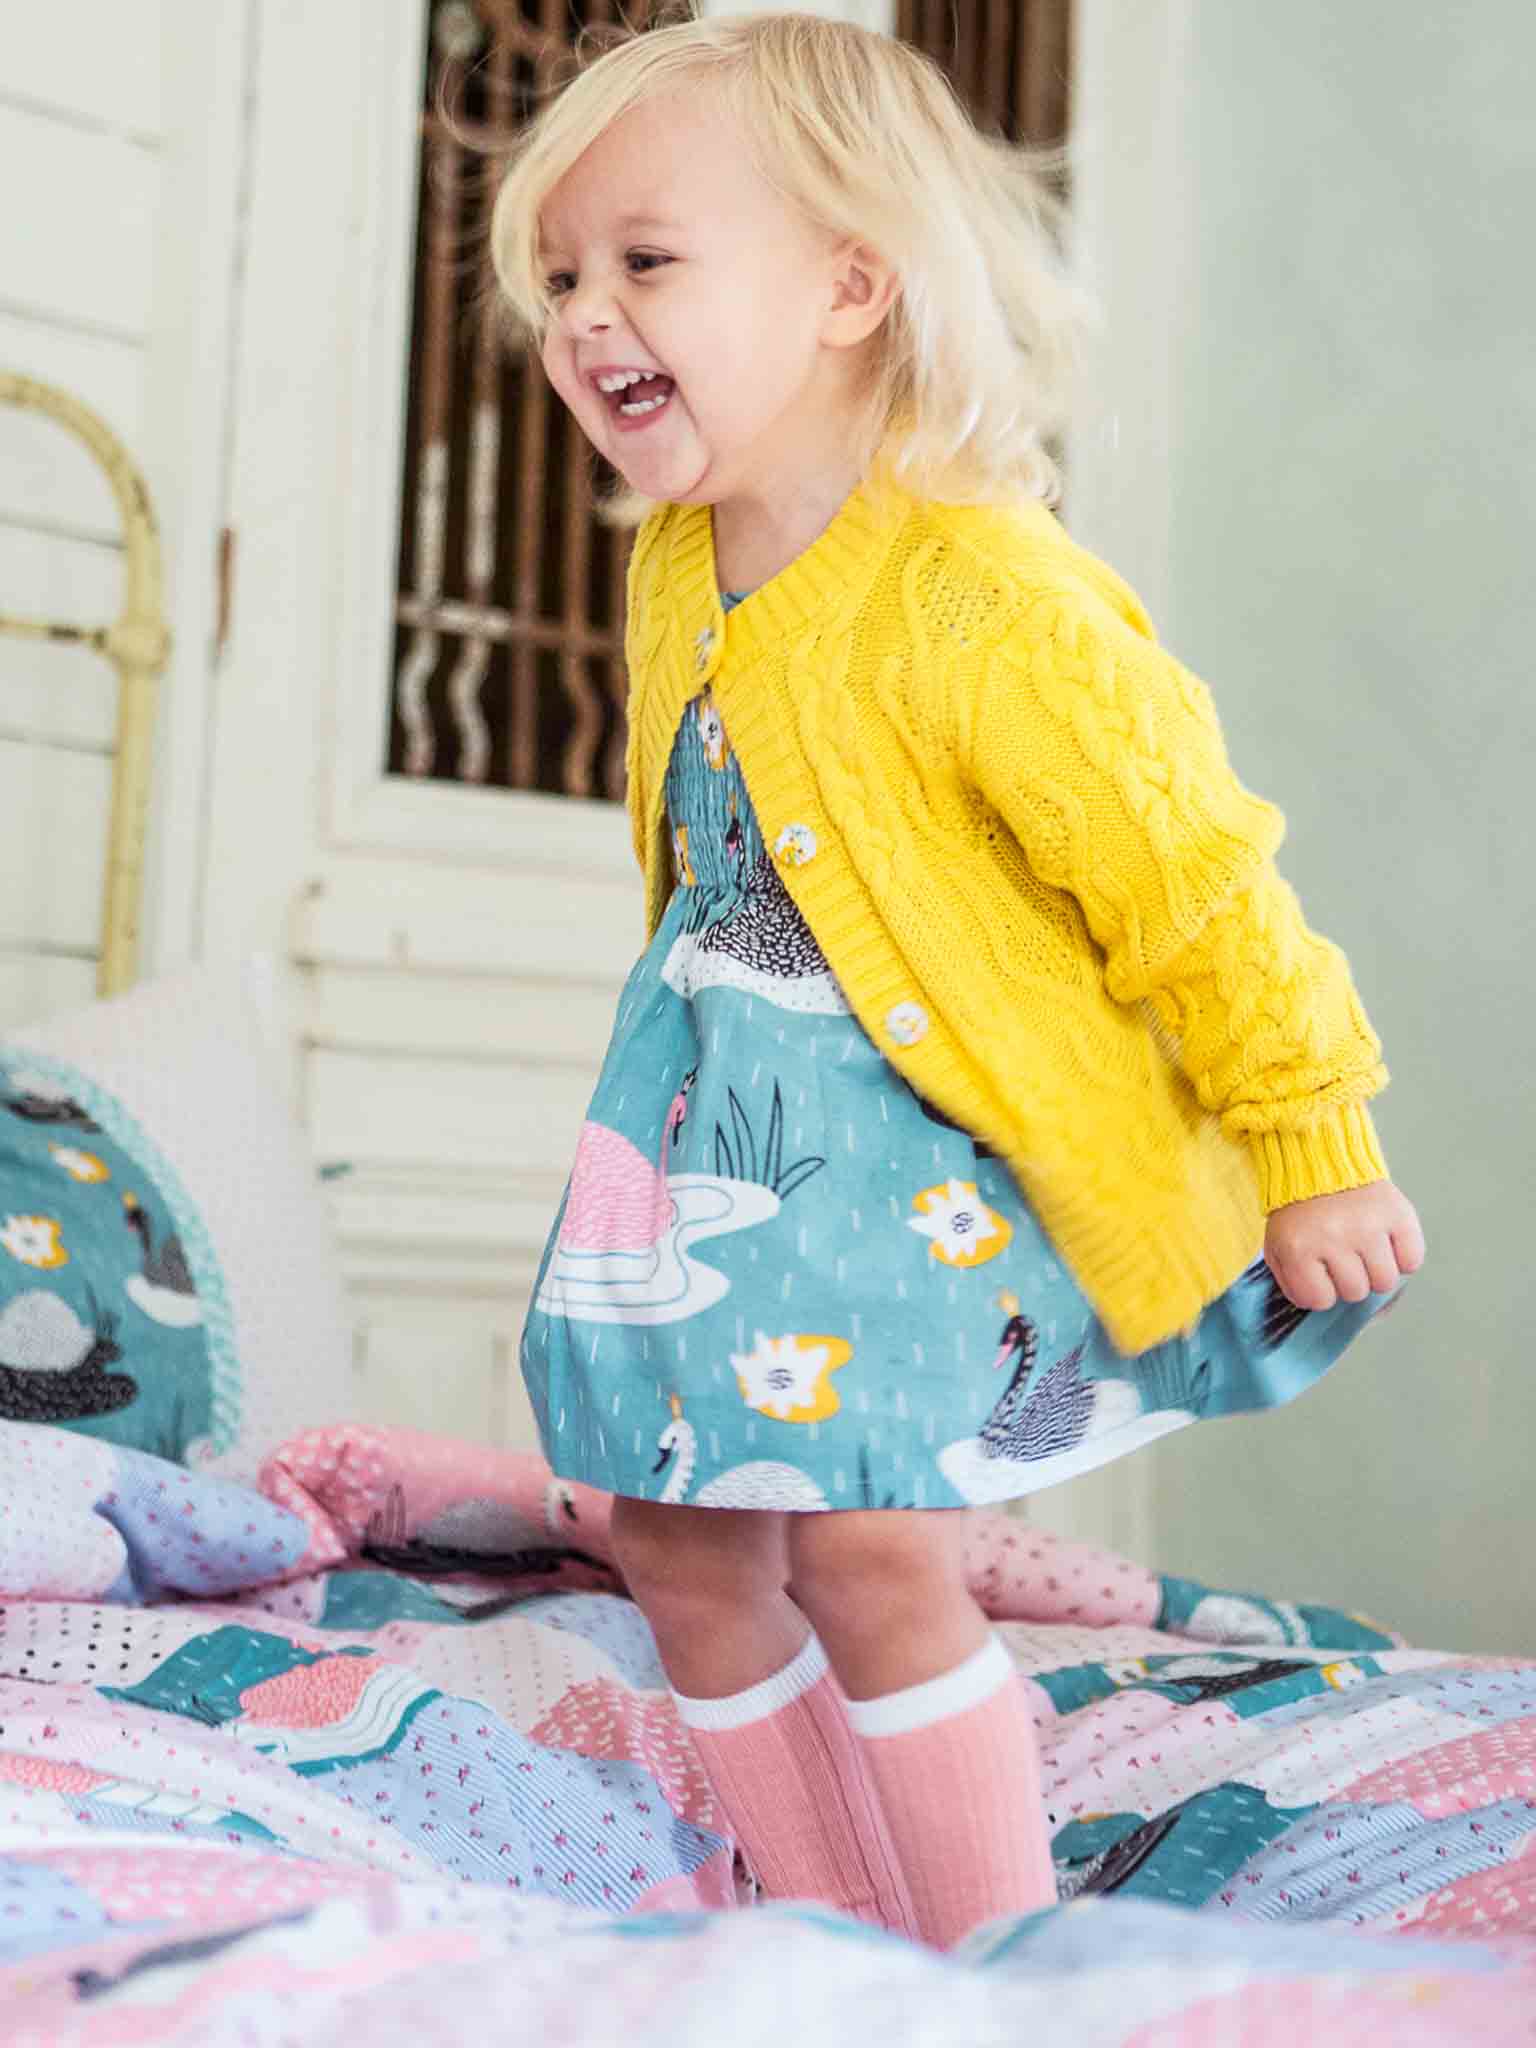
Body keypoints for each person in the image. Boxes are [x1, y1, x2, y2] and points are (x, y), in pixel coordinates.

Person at [493, 10, 1425, 1949]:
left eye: (646, 261)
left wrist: (1313, 1137)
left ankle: (1005, 1957)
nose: (587, 315)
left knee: (871, 1540)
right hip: (732, 1147)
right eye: (561, 275)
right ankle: (834, 1933)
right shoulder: (682, 570)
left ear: (850, 283)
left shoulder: (984, 596)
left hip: (925, 1172)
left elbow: (1200, 883)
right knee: (674, 1534)